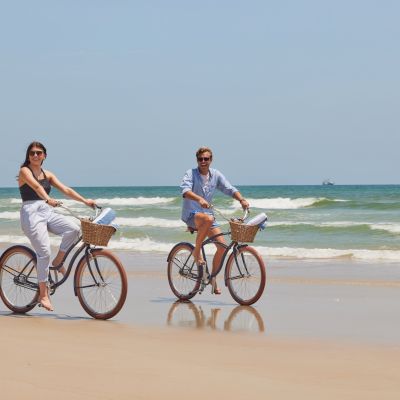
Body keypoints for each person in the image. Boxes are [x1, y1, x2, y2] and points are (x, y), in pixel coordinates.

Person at [18, 141, 96, 311]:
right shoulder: (24, 171)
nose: (35, 155)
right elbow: (36, 186)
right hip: (31, 213)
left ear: (45, 155)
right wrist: (47, 199)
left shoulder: (49, 174)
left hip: (46, 211)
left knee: (74, 229)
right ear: (28, 156)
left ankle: (59, 260)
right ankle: (43, 294)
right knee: (44, 251)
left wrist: (85, 201)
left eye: (39, 153)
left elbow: (65, 189)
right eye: (32, 153)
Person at [180, 147, 249, 294]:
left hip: (208, 217)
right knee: (208, 218)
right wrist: (199, 199)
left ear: (211, 160)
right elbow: (185, 191)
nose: (203, 161)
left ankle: (212, 278)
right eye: (200, 159)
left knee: (223, 248)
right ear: (197, 160)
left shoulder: (215, 175)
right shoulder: (190, 173)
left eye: (206, 159)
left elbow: (229, 188)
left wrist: (241, 200)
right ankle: (196, 252)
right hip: (192, 214)